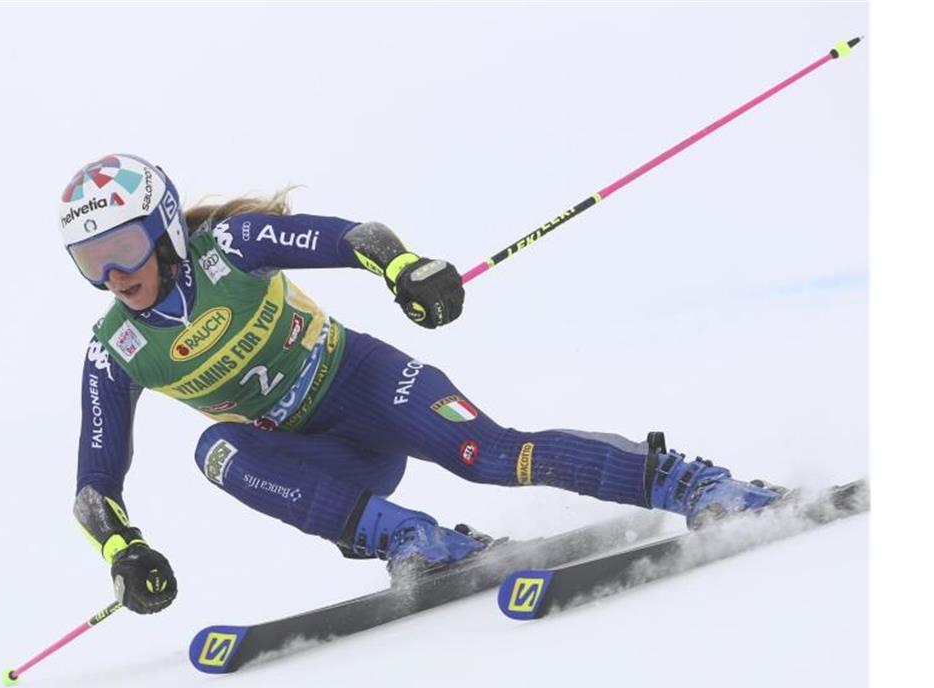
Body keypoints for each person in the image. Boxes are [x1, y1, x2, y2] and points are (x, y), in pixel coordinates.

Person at [60, 154, 783, 615]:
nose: (116, 277)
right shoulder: (114, 350)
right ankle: (416, 540)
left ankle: (693, 485)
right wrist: (123, 548)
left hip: (368, 384)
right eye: (92, 262)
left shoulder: (231, 249)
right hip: (330, 463)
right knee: (216, 449)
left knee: (493, 457)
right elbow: (96, 484)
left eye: (124, 248)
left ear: (164, 231)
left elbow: (351, 237)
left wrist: (404, 269)